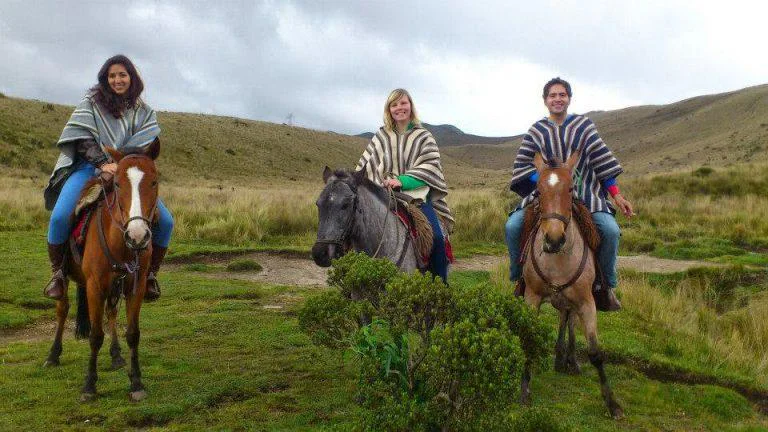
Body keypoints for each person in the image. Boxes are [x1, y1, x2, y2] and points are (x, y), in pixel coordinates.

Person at [43, 54, 173, 302]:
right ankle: (58, 273)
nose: (117, 80)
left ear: (132, 78)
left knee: (166, 222)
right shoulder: (90, 104)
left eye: (122, 75)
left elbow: (144, 149)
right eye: (112, 76)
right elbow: (81, 139)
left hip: (127, 174)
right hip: (88, 167)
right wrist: (103, 162)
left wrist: (121, 165)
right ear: (105, 79)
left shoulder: (143, 112)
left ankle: (149, 275)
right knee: (60, 216)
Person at [505, 77, 634, 310]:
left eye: (562, 95)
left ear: (569, 98)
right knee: (513, 227)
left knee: (610, 231)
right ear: (545, 100)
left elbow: (602, 162)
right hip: (546, 197)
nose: (557, 99)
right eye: (552, 95)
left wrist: (616, 195)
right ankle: (520, 279)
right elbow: (522, 167)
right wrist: (547, 182)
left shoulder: (584, 127)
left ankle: (604, 286)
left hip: (585, 195)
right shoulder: (536, 131)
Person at [355, 88, 454, 282]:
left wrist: (402, 181)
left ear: (411, 106)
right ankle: (353, 285)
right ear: (389, 109)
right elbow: (365, 166)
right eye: (394, 104)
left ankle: (440, 287)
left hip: (415, 199)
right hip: (382, 196)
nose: (399, 108)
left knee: (436, 239)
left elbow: (430, 168)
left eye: (403, 103)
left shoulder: (424, 136)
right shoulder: (381, 136)